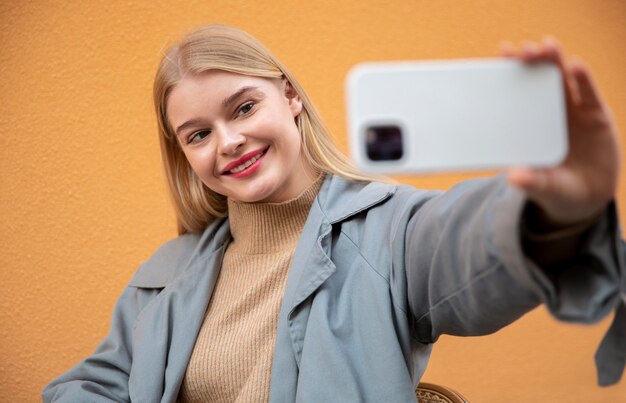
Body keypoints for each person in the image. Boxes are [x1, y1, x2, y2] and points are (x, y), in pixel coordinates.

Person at [43, 24, 625, 402]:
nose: (228, 142)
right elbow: (93, 385)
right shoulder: (164, 275)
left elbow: (469, 246)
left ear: (291, 97)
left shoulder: (387, 228)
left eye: (244, 107)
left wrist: (557, 208)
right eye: (198, 134)